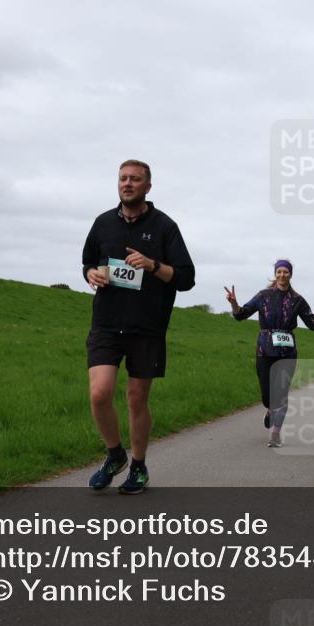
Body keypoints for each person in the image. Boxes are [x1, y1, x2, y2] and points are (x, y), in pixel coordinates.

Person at [81, 159, 195, 494]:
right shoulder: (103, 223)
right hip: (106, 321)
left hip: (147, 326)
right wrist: (90, 274)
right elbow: (88, 261)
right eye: (123, 178)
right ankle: (115, 454)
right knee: (99, 393)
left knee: (135, 398)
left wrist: (152, 264)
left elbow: (186, 278)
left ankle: (139, 466)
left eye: (135, 179)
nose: (127, 183)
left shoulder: (164, 227)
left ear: (148, 186)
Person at [225, 260, 314, 447]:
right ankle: (270, 410)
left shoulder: (297, 299)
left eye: (285, 271)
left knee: (281, 394)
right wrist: (234, 303)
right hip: (265, 349)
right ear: (275, 273)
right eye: (279, 271)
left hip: (287, 353)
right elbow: (241, 314)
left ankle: (275, 434)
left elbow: (313, 325)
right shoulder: (263, 295)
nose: (282, 275)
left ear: (290, 274)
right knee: (267, 395)